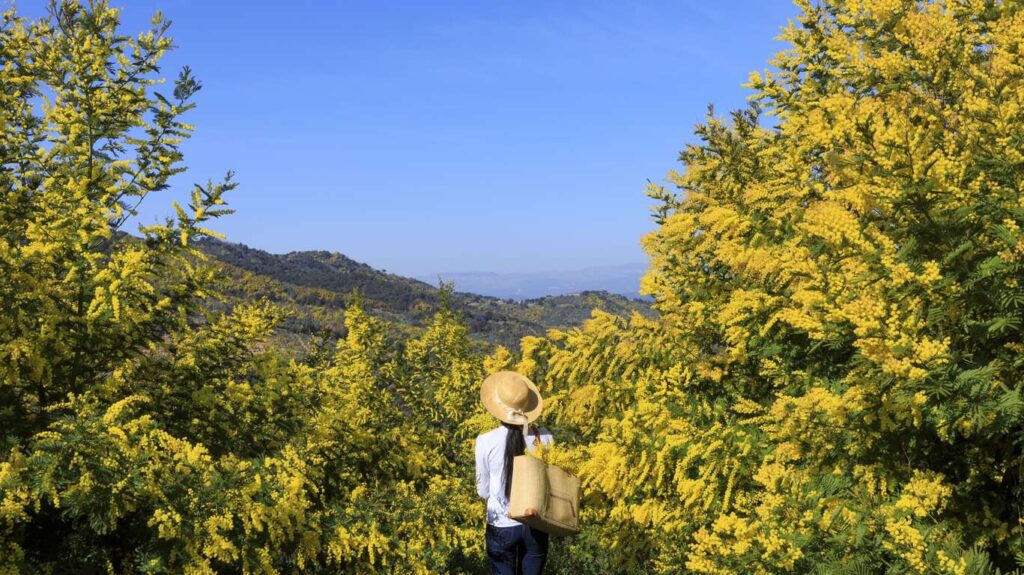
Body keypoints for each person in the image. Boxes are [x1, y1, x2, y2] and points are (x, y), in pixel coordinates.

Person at [475, 370, 554, 575]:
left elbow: (482, 491)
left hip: (501, 524)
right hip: (535, 522)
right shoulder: (545, 438)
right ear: (527, 408)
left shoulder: (484, 441)